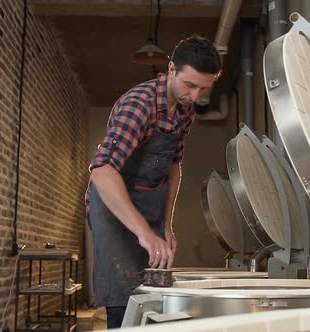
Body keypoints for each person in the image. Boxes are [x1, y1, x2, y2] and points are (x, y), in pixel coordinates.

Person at [85, 35, 221, 328]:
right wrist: (145, 234)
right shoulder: (140, 104)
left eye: (203, 88)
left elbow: (174, 166)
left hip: (149, 208)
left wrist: (166, 225)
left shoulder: (186, 110)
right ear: (171, 69)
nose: (196, 96)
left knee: (155, 294)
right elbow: (102, 170)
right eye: (190, 85)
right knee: (123, 295)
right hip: (114, 209)